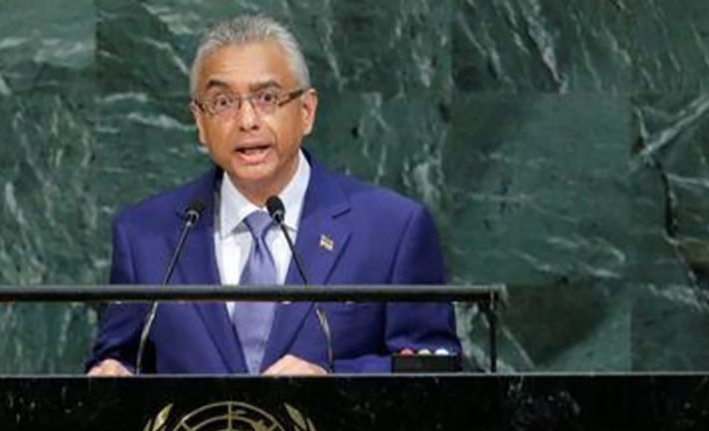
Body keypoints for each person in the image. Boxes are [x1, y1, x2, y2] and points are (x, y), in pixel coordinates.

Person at [87, 14, 459, 376]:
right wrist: (112, 373)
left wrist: (333, 379)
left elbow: (438, 369)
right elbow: (120, 360)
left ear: (307, 111)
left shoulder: (391, 229)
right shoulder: (145, 236)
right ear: (200, 121)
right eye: (222, 102)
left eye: (267, 98)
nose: (247, 120)